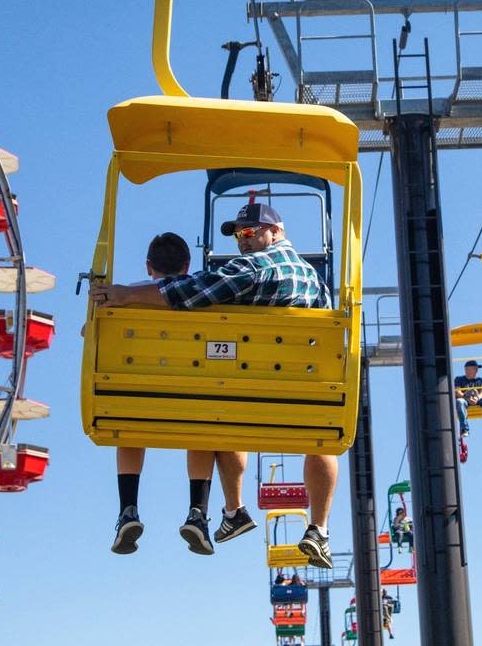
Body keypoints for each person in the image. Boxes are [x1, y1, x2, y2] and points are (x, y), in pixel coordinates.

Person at [96, 203, 339, 568]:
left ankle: (229, 508)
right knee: (320, 431)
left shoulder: (252, 268)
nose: (242, 241)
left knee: (217, 417)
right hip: (301, 400)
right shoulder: (315, 282)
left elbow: (190, 293)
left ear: (277, 232)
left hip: (244, 397)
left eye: (249, 232)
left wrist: (126, 296)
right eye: (238, 235)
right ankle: (318, 527)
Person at [100, 233, 257, 557]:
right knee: (199, 423)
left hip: (142, 399)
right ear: (188, 266)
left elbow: (93, 334)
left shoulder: (128, 299)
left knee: (129, 421)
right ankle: (197, 512)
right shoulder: (203, 296)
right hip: (194, 398)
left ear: (148, 266)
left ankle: (128, 508)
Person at [453, 360, 482, 436]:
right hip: (465, 399)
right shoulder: (459, 379)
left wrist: (477, 398)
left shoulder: (479, 380)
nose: (477, 370)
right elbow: (457, 392)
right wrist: (467, 398)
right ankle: (464, 429)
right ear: (467, 369)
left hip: (477, 399)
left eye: (476, 368)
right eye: (475, 368)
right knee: (459, 402)